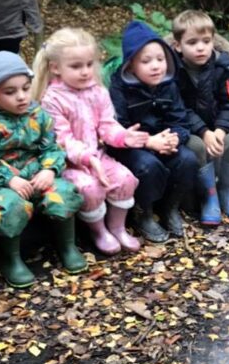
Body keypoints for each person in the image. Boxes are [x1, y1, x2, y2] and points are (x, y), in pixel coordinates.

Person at [0, 52, 86, 287]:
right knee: (8, 207)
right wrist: (8, 179)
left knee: (63, 193)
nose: (21, 97)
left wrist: (49, 170)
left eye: (25, 88)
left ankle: (66, 246)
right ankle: (10, 258)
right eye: (10, 92)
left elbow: (52, 147)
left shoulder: (37, 114)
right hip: (4, 183)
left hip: (37, 174)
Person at [33, 28, 147, 256]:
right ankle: (99, 231)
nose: (85, 72)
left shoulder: (97, 90)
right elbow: (62, 139)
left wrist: (124, 136)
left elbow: (106, 125)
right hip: (67, 163)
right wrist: (87, 159)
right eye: (76, 66)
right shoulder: (52, 99)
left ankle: (117, 227)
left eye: (88, 64)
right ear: (55, 67)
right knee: (90, 187)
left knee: (124, 179)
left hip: (97, 156)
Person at [108, 21, 199, 244]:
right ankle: (145, 213)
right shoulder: (120, 87)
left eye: (160, 59)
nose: (156, 66)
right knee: (148, 165)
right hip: (132, 147)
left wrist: (175, 137)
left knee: (187, 159)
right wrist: (149, 142)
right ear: (131, 66)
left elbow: (180, 119)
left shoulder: (169, 84)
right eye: (146, 61)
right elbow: (117, 129)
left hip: (164, 141)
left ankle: (170, 208)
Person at [171, 10, 229, 226]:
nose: (200, 47)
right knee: (196, 146)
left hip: (217, 127)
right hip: (189, 130)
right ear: (178, 46)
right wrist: (203, 132)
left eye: (206, 41)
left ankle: (227, 194)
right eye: (192, 42)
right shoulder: (173, 71)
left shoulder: (223, 67)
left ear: (213, 42)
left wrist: (220, 130)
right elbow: (179, 108)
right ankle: (209, 197)